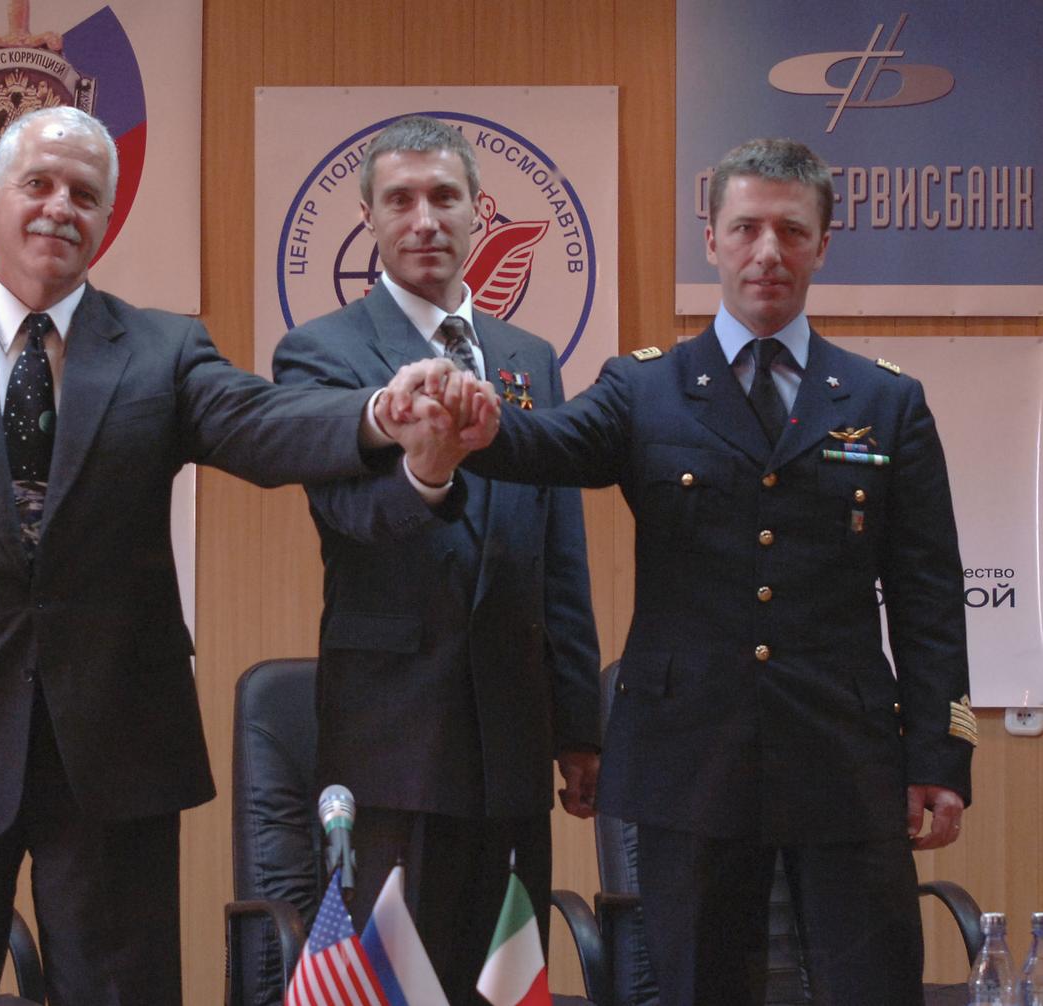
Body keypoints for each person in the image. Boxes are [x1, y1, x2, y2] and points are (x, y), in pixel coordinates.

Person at [0, 106, 443, 1006]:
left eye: (85, 195)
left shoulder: (163, 350)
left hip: (117, 750)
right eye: (39, 185)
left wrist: (376, 415)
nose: (61, 207)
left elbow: (260, 424)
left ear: (106, 220)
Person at [393, 137, 976, 1005]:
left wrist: (938, 753)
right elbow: (551, 443)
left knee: (872, 985)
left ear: (823, 243)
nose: (766, 252)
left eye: (790, 230)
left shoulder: (885, 401)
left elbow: (928, 594)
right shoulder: (646, 388)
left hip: (845, 761)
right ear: (710, 240)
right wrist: (476, 422)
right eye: (744, 228)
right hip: (688, 758)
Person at [272, 115, 601, 1003]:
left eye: (444, 197)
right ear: (370, 221)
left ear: (476, 213)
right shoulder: (322, 353)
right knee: (392, 987)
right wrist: (424, 469)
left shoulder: (527, 357)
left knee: (503, 979)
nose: (424, 218)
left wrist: (578, 727)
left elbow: (555, 554)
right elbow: (347, 512)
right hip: (389, 747)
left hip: (509, 740)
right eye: (400, 200)